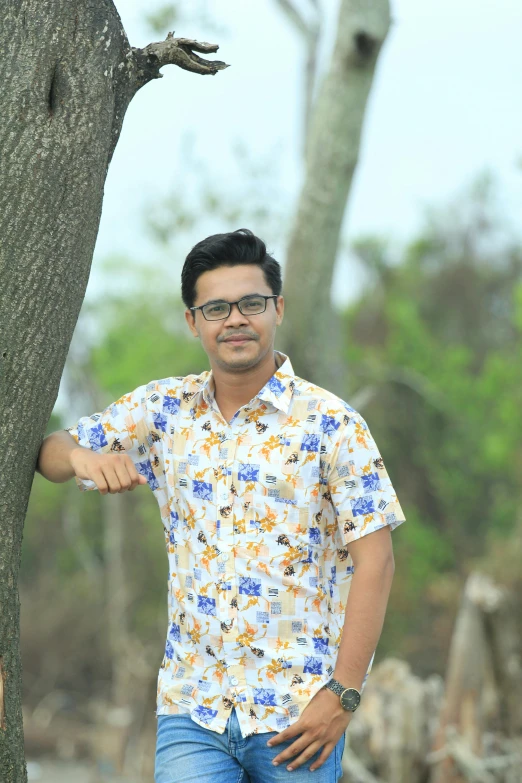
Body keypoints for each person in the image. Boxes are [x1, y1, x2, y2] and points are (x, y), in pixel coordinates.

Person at [37, 228, 407, 783]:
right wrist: (85, 460)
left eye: (251, 303)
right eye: (216, 308)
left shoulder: (334, 424)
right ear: (194, 321)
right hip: (192, 706)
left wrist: (343, 695)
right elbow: (51, 451)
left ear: (276, 309)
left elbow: (375, 562)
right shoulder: (163, 410)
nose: (235, 319)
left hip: (298, 711)